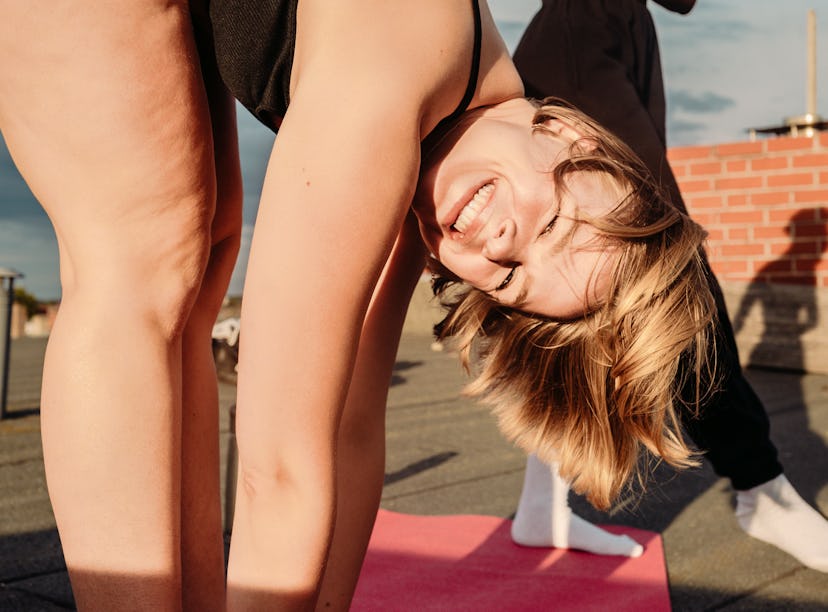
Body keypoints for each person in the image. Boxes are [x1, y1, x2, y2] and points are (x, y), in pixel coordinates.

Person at [0, 2, 717, 610]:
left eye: (508, 279)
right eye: (553, 224)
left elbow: (347, 422)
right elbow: (279, 467)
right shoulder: (400, 70)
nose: (502, 244)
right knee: (145, 254)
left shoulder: (460, 143)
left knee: (209, 249)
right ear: (569, 134)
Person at [500, 0, 828, 572]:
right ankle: (760, 487)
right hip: (582, 34)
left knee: (588, 307)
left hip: (596, 30)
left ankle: (541, 507)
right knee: (668, 269)